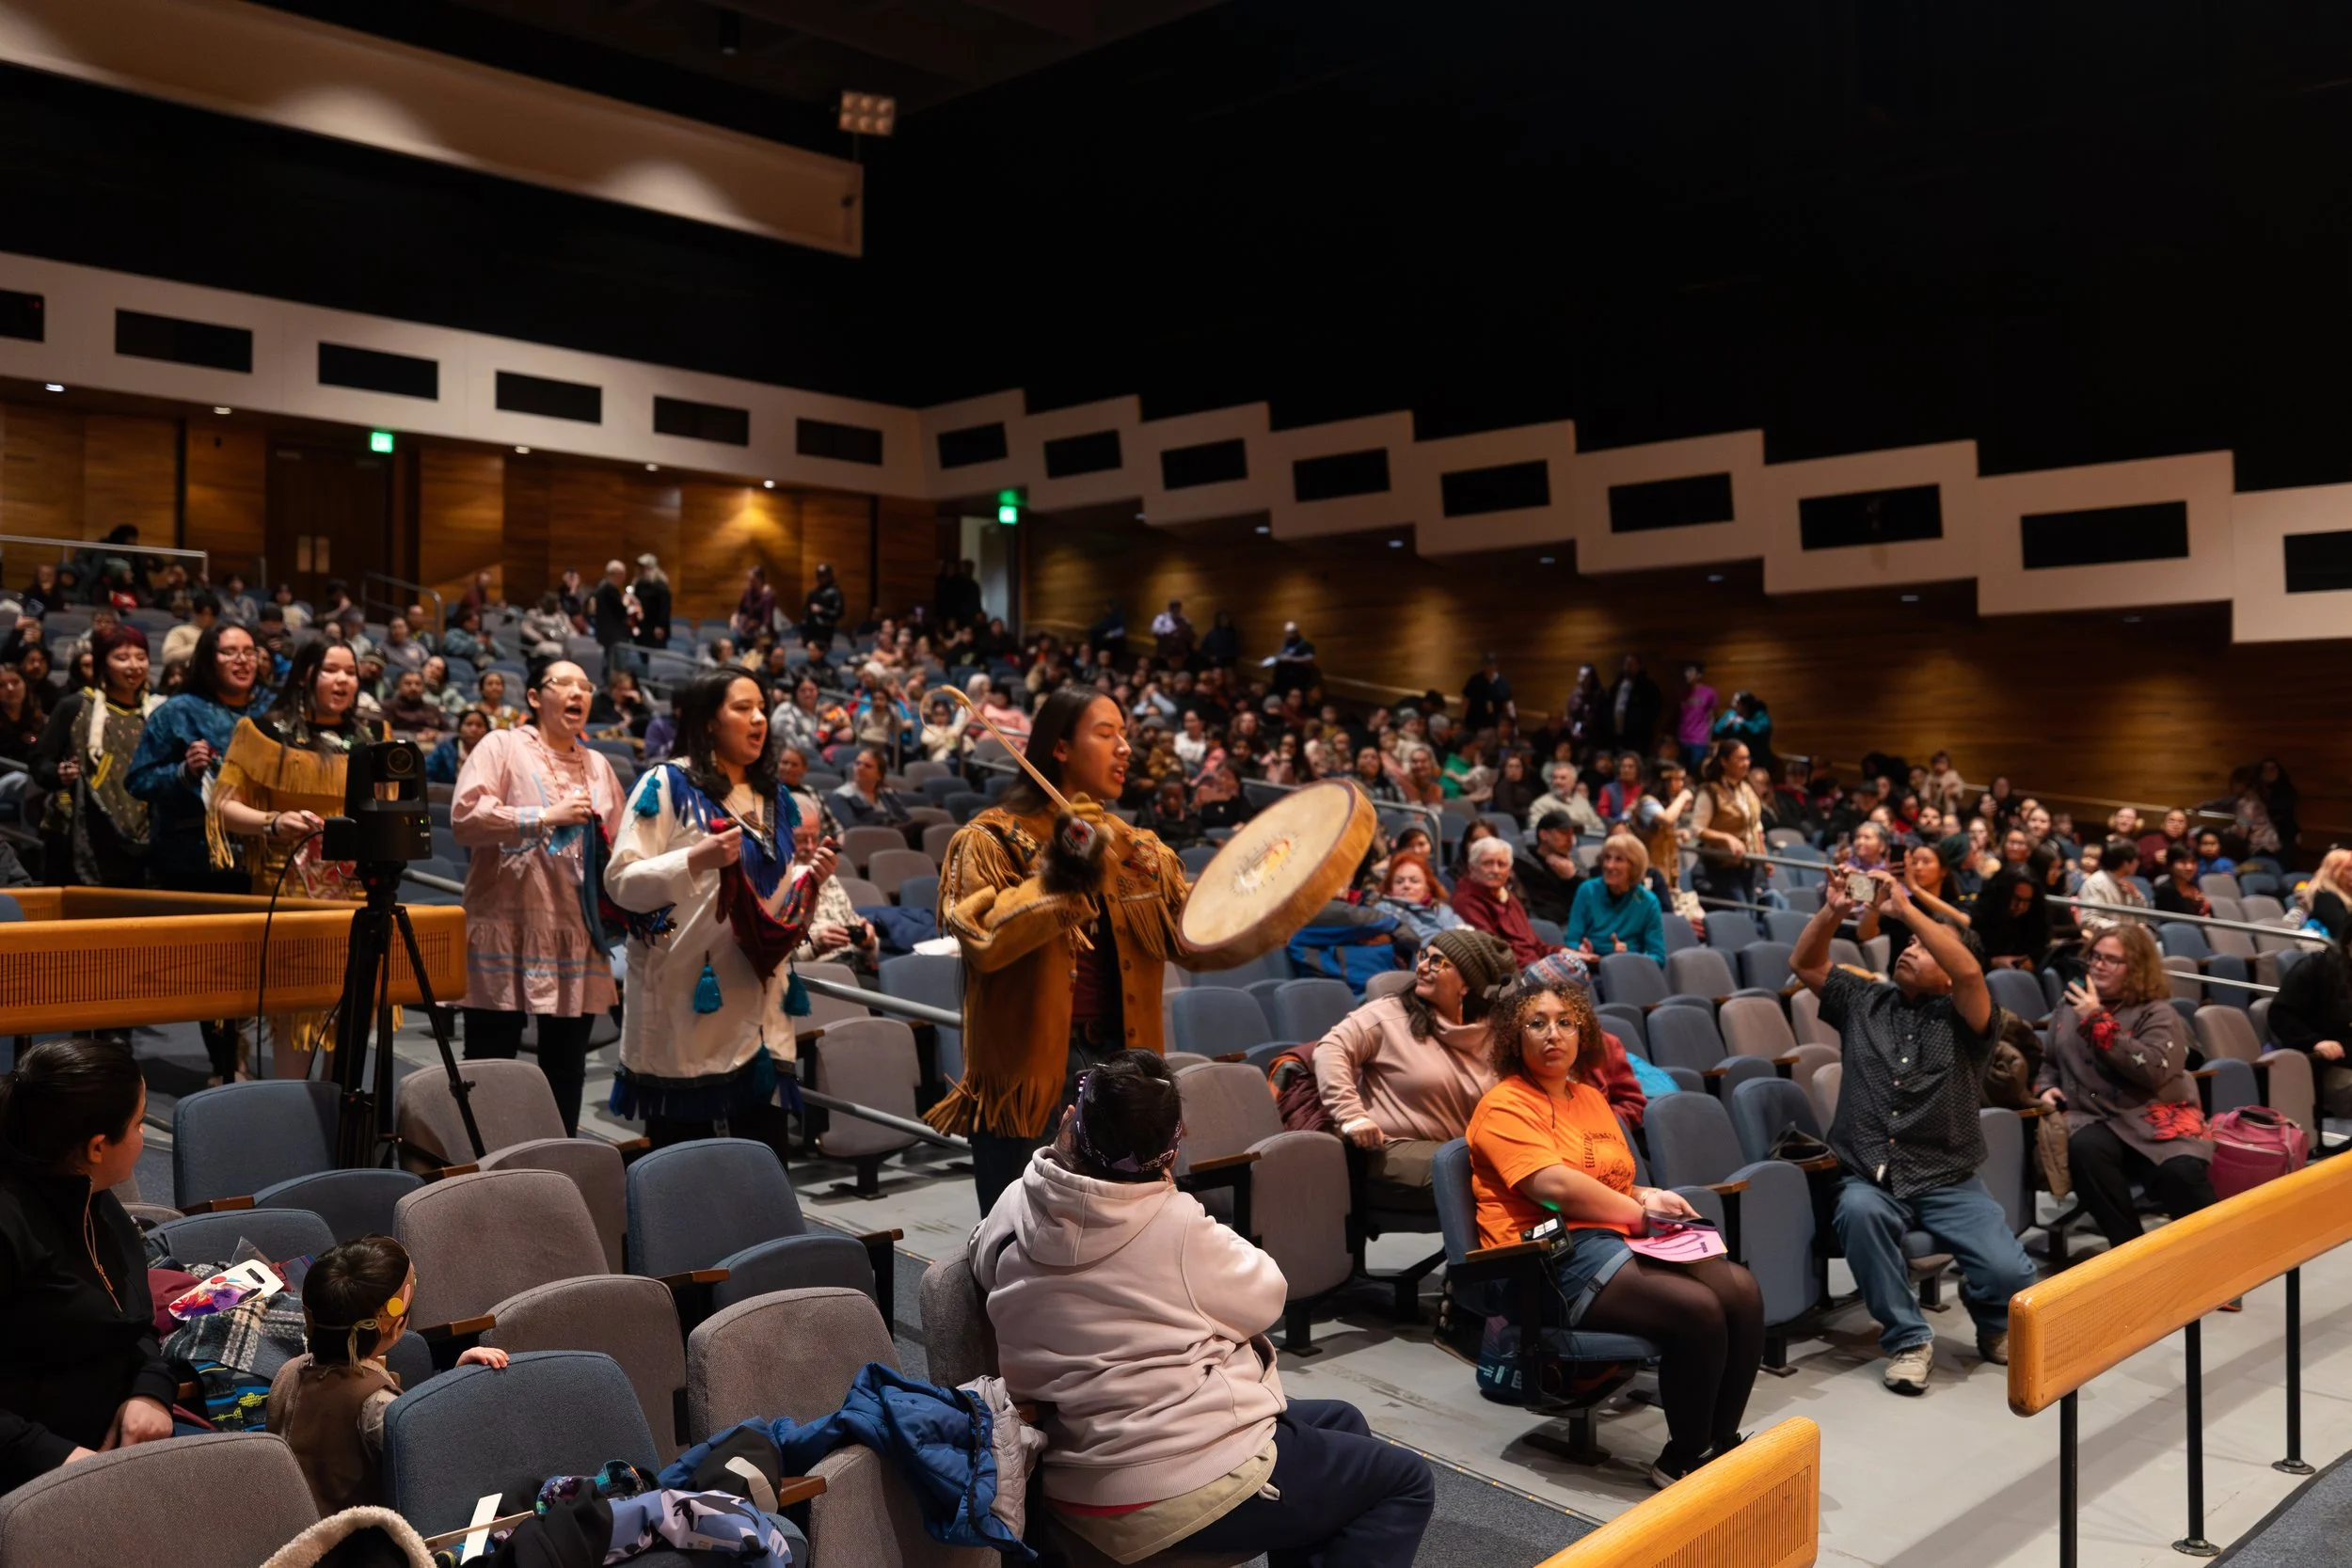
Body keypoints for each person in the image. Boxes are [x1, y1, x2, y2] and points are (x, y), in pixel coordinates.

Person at [972, 1052, 1433, 1565]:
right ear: (1171, 1153)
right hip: (1168, 1477)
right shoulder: (1173, 1225)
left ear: (1068, 1122)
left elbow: (980, 1261)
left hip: (1076, 1464)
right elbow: (1266, 1295)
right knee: (1405, 1482)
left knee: (1342, 1420)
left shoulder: (1015, 1203)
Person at [1467, 972, 1762, 1486]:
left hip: (1610, 1237)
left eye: (1565, 1022)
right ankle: (1684, 1459)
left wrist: (1651, 1196)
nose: (1553, 1034)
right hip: (1543, 1257)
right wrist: (1640, 1214)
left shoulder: (1590, 1098)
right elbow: (1555, 1185)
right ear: (1517, 1037)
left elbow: (1614, 1179)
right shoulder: (1503, 1104)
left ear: (1584, 1033)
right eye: (1537, 1024)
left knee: (1741, 1290)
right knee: (1698, 1310)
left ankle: (1719, 1442)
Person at [926, 689, 1199, 1213]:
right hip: (1033, 1080)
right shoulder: (990, 838)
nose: (1124, 748)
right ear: (1059, 748)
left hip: (1127, 1063)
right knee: (1025, 1239)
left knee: (1129, 1229)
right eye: (1105, 733)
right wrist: (1069, 862)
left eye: (1125, 735)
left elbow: (1195, 939)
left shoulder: (1137, 848)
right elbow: (985, 941)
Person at [1793, 870, 2037, 1395]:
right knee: (1859, 1212)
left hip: (1947, 1175)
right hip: (1869, 1172)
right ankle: (1908, 1339)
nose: (1909, 949)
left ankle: (1993, 1321)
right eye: (1908, 943)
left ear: (1947, 969)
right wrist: (1834, 908)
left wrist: (1905, 909)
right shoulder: (1865, 1002)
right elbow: (1806, 963)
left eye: (1924, 948)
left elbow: (1972, 974)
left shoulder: (1970, 1018)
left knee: (2011, 1274)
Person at [606, 671, 833, 1151]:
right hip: (689, 1003)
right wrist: (695, 857)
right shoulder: (666, 784)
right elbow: (620, 883)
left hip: (760, 1004)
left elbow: (776, 899)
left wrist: (810, 882)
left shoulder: (774, 796)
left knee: (765, 1161)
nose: (758, 719)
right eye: (742, 708)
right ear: (710, 721)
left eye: (762, 708)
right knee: (685, 1160)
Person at [451, 661, 627, 1136]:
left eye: (586, 685)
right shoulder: (502, 745)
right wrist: (544, 815)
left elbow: (622, 844)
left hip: (575, 931)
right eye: (564, 684)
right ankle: (481, 1170)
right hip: (506, 924)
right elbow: (466, 816)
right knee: (490, 1067)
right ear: (534, 697)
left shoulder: (599, 765)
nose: (578, 693)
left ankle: (557, 1168)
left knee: (565, 1072)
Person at [0, 1038, 181, 1493]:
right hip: (31, 1477)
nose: (143, 1137)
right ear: (98, 1146)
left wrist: (150, 1392)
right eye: (140, 1123)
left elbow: (133, 1322)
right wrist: (58, 1458)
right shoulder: (8, 1228)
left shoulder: (96, 1198)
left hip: (116, 1447)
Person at [267, 1235, 509, 1513]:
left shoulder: (287, 1373)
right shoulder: (377, 1405)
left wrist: (452, 1382)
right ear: (395, 1326)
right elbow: (441, 1472)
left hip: (298, 1539)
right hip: (364, 1547)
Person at [128, 622, 269, 1078]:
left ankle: (249, 1054)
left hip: (269, 856)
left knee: (263, 964)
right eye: (230, 652)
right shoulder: (177, 712)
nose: (242, 660)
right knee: (218, 968)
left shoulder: (273, 711)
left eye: (249, 651)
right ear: (208, 660)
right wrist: (184, 775)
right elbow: (139, 781)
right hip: (199, 860)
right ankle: (227, 1063)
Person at [2038, 926, 2217, 1254]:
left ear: (2135, 968)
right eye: (2095, 956)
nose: (2099, 965)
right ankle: (2131, 1254)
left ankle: (2214, 1263)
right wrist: (2046, 1087)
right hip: (2096, 1116)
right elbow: (2050, 1060)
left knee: (2182, 1173)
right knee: (2084, 1150)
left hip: (2155, 1116)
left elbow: (2151, 1070)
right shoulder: (2069, 1006)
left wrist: (2097, 1020)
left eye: (2111, 960)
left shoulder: (2157, 1012)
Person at [1316, 927, 1513, 1213]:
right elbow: (1329, 1048)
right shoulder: (1389, 1014)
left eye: (1437, 962)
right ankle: (1479, 1259)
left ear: (1467, 984)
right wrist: (1352, 1115)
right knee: (1482, 1179)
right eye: (1424, 956)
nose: (1421, 966)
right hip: (1394, 1148)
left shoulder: (1493, 1030)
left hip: (1467, 1149)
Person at [30, 625, 157, 888]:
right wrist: (59, 773)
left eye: (141, 657)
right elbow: (39, 762)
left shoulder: (157, 711)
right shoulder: (75, 706)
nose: (133, 666)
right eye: (122, 658)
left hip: (142, 834)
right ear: (103, 664)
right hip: (80, 830)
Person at [2266, 929, 2352, 1120]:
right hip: (2327, 1067)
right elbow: (2281, 1015)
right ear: (2348, 942)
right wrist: (2315, 1042)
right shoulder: (2316, 968)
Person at [1451, 833, 1553, 968]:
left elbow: (1535, 944)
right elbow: (1494, 953)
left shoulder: (1509, 897)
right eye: (1487, 863)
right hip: (1512, 974)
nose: (1495, 870)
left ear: (1509, 871)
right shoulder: (1465, 901)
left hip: (1534, 965)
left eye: (1502, 864)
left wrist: (1562, 952)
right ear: (1472, 868)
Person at [1565, 832, 1667, 962]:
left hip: (1628, 971)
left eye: (1619, 859)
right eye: (1607, 858)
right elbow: (1571, 940)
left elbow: (1658, 957)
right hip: (1590, 967)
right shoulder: (1587, 890)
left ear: (1634, 866)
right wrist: (1581, 949)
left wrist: (1629, 956)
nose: (1609, 865)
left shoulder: (1648, 902)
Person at [1690, 737, 1765, 911]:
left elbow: (1756, 826)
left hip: (1748, 863)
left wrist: (1763, 857)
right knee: (1742, 912)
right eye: (1740, 759)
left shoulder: (1746, 789)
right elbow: (1697, 829)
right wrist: (1726, 838)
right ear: (1724, 761)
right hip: (1721, 865)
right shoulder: (1710, 791)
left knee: (1752, 912)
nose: (1746, 764)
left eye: (1748, 758)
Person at [1372, 851, 1463, 946]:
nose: (1406, 885)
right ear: (1390, 888)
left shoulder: (1443, 910)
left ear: (1427, 886)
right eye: (1399, 882)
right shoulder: (1384, 910)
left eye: (1414, 881)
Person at [1515, 811, 1585, 927]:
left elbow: (1591, 901)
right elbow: (1548, 911)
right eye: (1564, 833)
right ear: (1544, 835)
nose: (1570, 840)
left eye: (1572, 834)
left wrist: (1572, 878)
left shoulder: (1575, 861)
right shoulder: (1523, 866)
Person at [1606, 654, 1661, 754]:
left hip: (1638, 737)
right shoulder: (1617, 686)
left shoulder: (1648, 687)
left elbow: (1654, 709)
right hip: (1617, 734)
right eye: (1626, 665)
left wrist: (1641, 724)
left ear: (1638, 666)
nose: (1628, 668)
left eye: (1631, 665)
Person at [590, 561, 634, 674]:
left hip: (605, 634)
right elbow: (621, 611)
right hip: (615, 635)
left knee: (609, 665)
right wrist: (626, 602)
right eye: (622, 574)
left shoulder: (601, 587)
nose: (624, 578)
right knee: (618, 669)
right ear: (616, 574)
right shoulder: (610, 589)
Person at [1676, 663, 1717, 773]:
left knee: (1696, 772)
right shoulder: (1683, 693)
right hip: (1683, 738)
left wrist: (1708, 739)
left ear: (1699, 675)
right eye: (1686, 672)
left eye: (1690, 672)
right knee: (1682, 771)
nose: (1687, 675)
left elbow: (1711, 717)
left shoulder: (1709, 693)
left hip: (1699, 740)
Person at [2152, 844, 2211, 918]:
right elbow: (2173, 922)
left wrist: (2203, 906)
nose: (2190, 867)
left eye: (2193, 862)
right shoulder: (2165, 891)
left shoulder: (2194, 887)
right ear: (2170, 865)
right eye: (2183, 862)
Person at [1462, 652, 1515, 734]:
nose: (1489, 667)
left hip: (1494, 724)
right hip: (1474, 723)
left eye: (1491, 664)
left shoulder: (1503, 683)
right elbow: (1466, 699)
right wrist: (1465, 717)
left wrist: (1511, 724)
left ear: (1496, 665)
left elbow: (1507, 704)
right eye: (1486, 664)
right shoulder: (1475, 680)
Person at [630, 553, 672, 658]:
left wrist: (660, 626)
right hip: (642, 628)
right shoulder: (638, 584)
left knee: (656, 657)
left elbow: (665, 608)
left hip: (655, 630)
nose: (640, 570)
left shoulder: (660, 586)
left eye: (643, 568)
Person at [802, 562, 845, 645]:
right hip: (811, 629)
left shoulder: (835, 592)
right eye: (819, 576)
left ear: (829, 576)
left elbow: (839, 613)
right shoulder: (813, 592)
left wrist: (822, 610)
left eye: (823, 576)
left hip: (825, 629)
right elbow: (806, 611)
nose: (821, 579)